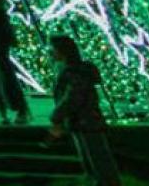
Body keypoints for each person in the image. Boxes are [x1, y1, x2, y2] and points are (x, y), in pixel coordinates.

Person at [46, 34, 121, 186]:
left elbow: (73, 97)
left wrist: (57, 115)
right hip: (81, 121)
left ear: (63, 51)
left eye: (53, 49)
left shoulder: (74, 72)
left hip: (85, 121)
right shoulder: (72, 70)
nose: (50, 53)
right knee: (92, 159)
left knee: (97, 159)